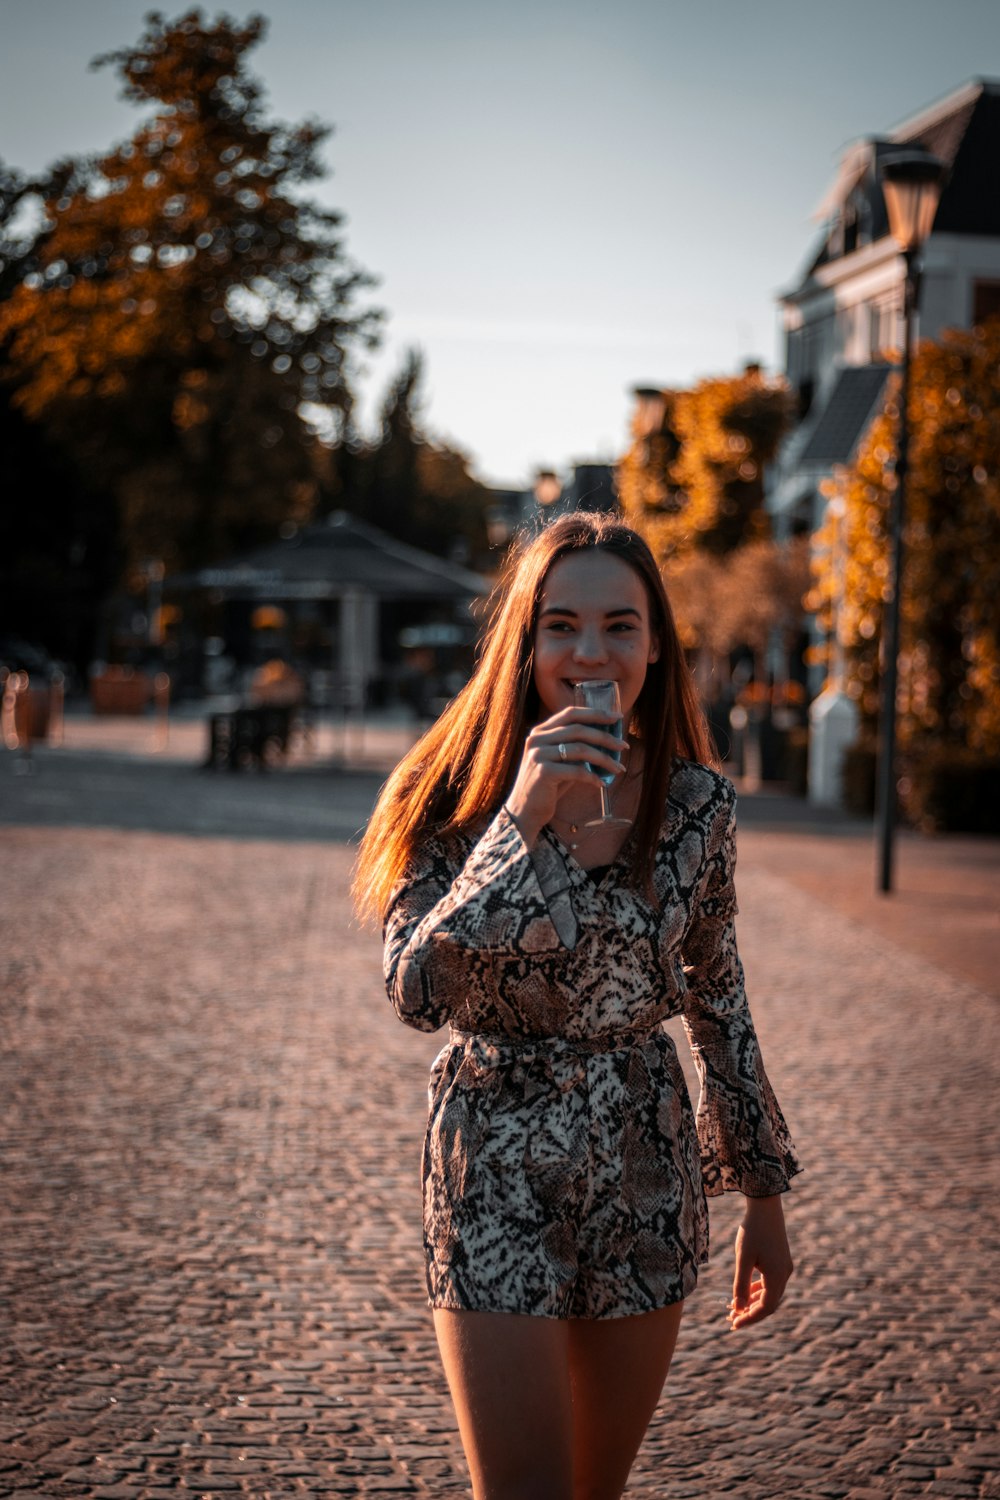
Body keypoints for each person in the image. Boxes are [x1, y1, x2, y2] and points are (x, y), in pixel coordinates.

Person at [353, 513, 801, 1500]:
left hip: (644, 1160)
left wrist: (762, 1193)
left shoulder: (694, 807)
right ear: (525, 639)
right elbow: (418, 988)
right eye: (561, 626)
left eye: (618, 626)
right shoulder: (446, 795)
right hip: (494, 1158)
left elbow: (718, 996)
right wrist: (521, 818)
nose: (589, 652)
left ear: (654, 643)